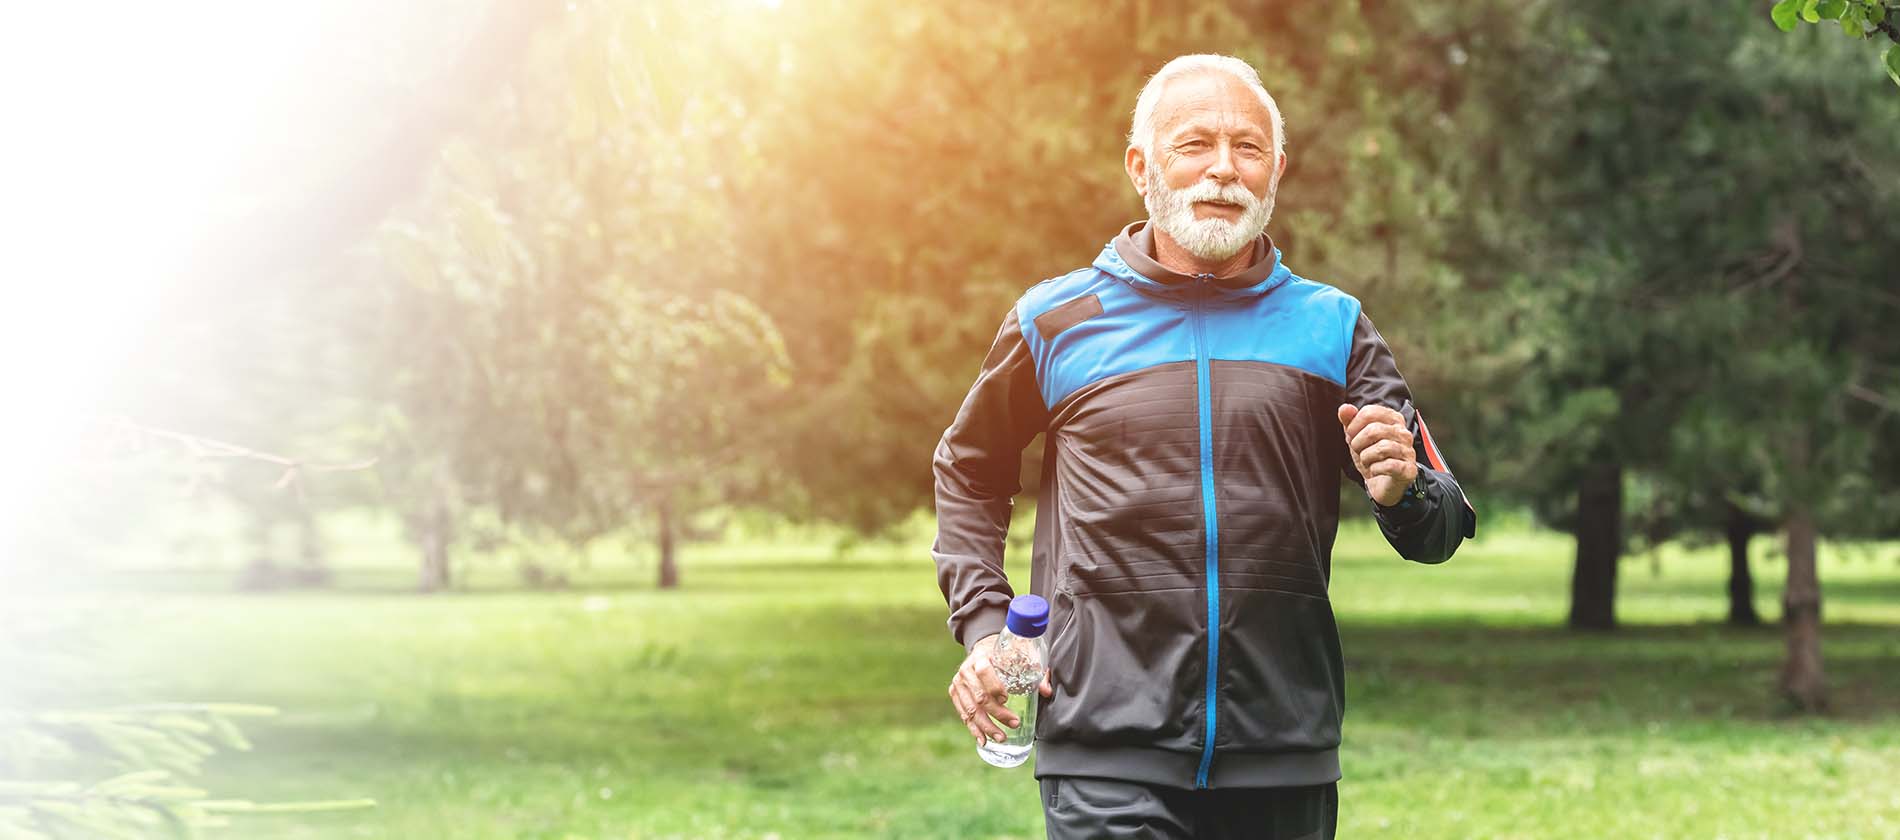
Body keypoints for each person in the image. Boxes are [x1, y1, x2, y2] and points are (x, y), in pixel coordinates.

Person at [930, 54, 1478, 839]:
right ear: (1141, 165)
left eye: (1248, 148)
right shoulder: (1053, 321)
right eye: (1194, 144)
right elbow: (969, 471)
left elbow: (1445, 526)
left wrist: (1403, 492)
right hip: (1103, 749)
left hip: (1283, 752)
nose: (1224, 169)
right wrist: (985, 624)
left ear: (1276, 171)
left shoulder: (1334, 327)